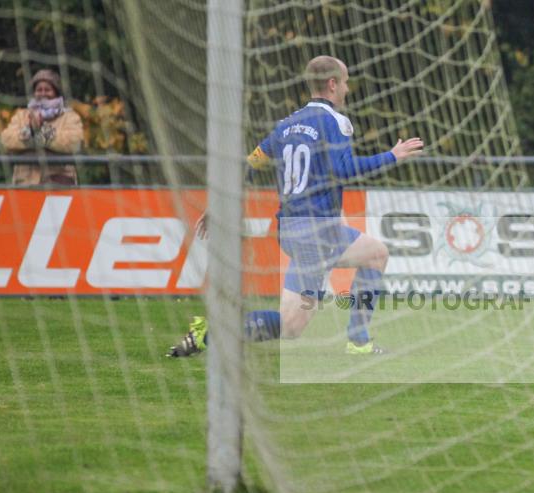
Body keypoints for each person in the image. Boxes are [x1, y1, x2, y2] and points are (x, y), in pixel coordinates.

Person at [168, 55, 424, 357]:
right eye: (344, 82)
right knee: (291, 326)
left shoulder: (285, 126)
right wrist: (391, 156)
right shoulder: (335, 122)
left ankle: (358, 340)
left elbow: (249, 165)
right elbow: (343, 171)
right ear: (332, 84)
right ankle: (213, 332)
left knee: (375, 254)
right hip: (315, 234)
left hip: (295, 230)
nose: (347, 88)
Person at [0, 69, 83, 186]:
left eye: (47, 90)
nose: (43, 93)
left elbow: (74, 143)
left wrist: (42, 133)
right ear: (34, 93)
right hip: (24, 184)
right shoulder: (21, 115)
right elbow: (6, 140)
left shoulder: (69, 116)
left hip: (59, 185)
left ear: (56, 92)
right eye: (39, 90)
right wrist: (29, 133)